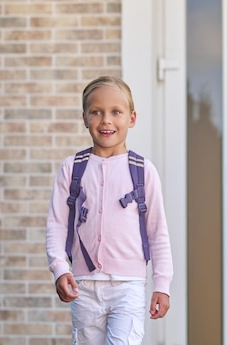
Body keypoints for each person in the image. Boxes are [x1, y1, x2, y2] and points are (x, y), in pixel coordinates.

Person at [46, 76, 173, 345]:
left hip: (128, 286)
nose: (106, 120)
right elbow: (57, 225)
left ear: (132, 118)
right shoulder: (72, 168)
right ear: (84, 118)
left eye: (116, 112)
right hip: (84, 286)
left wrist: (162, 285)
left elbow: (157, 232)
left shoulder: (143, 171)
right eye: (97, 112)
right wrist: (59, 269)